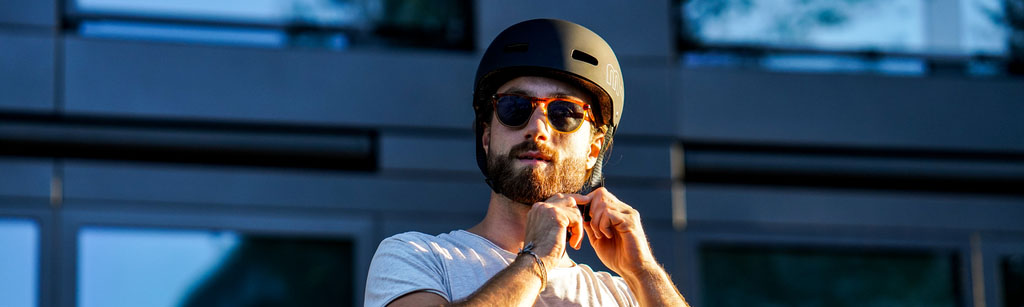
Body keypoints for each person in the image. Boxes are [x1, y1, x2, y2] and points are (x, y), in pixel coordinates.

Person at [365, 19, 688, 307]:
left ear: (594, 149)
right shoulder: (418, 257)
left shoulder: (623, 296)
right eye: (514, 107)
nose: (537, 128)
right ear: (487, 136)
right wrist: (538, 257)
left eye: (565, 113)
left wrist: (644, 273)